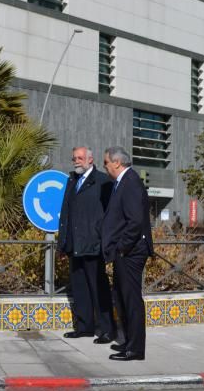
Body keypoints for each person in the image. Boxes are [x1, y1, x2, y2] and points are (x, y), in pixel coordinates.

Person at [57, 146, 116, 344]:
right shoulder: (72, 180)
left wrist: (104, 240)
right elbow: (65, 213)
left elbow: (111, 215)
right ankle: (84, 328)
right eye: (74, 158)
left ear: (91, 159)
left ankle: (108, 330)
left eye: (80, 158)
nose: (76, 161)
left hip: (94, 246)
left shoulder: (102, 181)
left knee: (99, 289)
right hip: (75, 245)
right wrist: (62, 243)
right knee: (80, 288)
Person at [101, 146, 154, 361]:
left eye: (106, 162)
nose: (104, 167)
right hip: (124, 252)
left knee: (131, 300)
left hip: (131, 252)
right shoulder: (121, 182)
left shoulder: (130, 181)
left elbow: (135, 221)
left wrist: (122, 247)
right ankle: (128, 343)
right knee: (121, 298)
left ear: (117, 162)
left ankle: (135, 349)